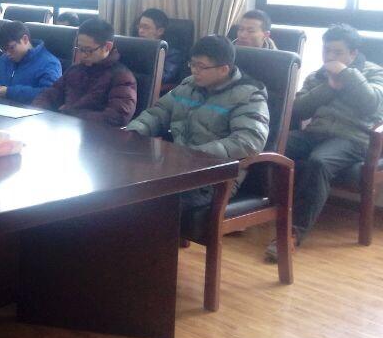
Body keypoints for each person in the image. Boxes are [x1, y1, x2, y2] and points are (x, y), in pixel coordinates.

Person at [265, 24, 383, 261]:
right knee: (271, 145)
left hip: (352, 139)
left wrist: (347, 75)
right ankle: (248, 210)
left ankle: (292, 234)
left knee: (319, 161)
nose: (330, 57)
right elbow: (298, 109)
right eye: (326, 50)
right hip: (315, 134)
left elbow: (371, 104)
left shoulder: (374, 73)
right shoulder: (318, 75)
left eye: (337, 52)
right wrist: (328, 87)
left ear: (353, 53)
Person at [126, 35, 269, 209]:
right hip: (178, 167)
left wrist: (196, 155)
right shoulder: (188, 86)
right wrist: (133, 131)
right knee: (126, 182)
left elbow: (249, 141)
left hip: (216, 178)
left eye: (201, 67)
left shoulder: (249, 96)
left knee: (148, 202)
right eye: (192, 64)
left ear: (224, 69)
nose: (194, 71)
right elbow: (158, 113)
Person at [32, 18, 137, 126]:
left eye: (88, 50)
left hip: (95, 133)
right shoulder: (75, 70)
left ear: (107, 47)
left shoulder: (122, 77)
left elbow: (117, 117)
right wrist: (37, 110)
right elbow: (50, 94)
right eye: (80, 49)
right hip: (67, 127)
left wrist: (70, 114)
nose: (83, 55)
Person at [0, 21, 62, 105]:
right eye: (4, 50)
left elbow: (49, 94)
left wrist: (9, 92)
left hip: (31, 113)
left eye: (11, 48)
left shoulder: (49, 63)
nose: (7, 54)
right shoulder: (4, 59)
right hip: (1, 108)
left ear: (25, 39)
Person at [137, 7, 185, 84]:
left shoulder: (172, 54)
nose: (140, 31)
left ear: (160, 31)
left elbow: (163, 78)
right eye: (140, 26)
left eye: (146, 27)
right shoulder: (135, 47)